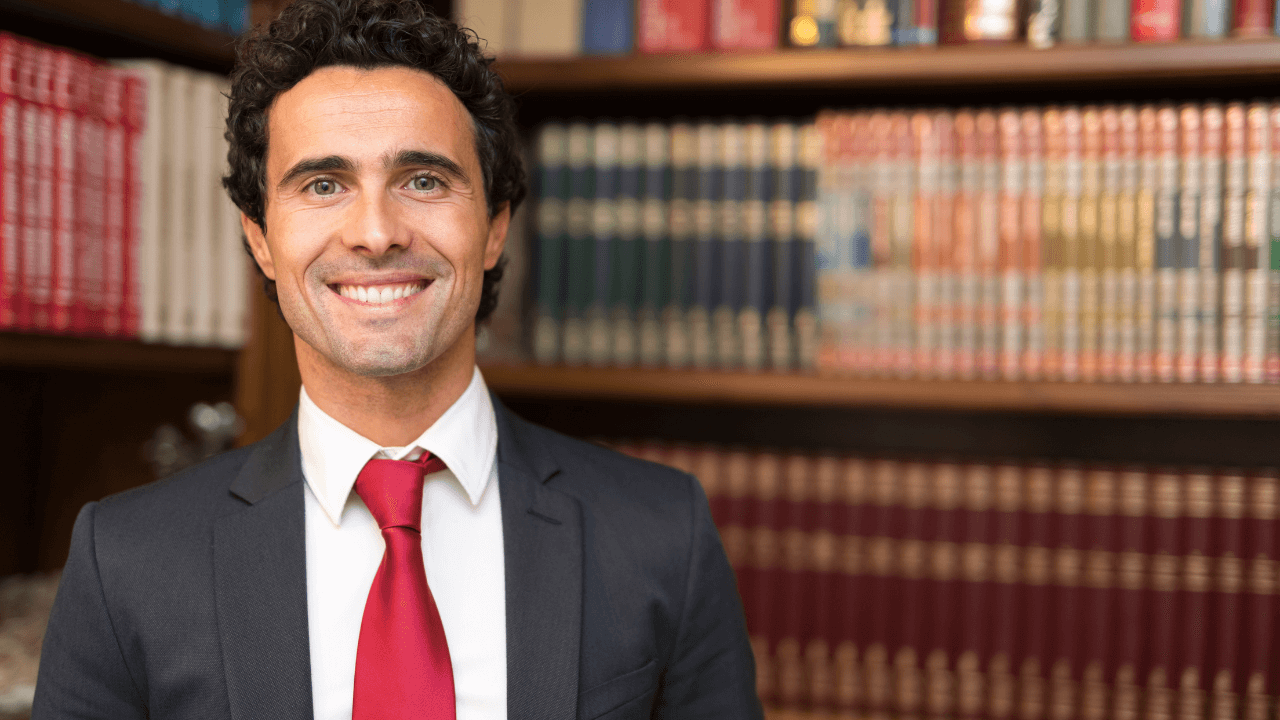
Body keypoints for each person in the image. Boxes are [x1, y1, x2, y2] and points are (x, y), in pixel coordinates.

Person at [31, 0, 762, 718]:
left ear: (494, 228)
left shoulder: (664, 535)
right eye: (323, 185)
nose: (376, 233)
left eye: (423, 180)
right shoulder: (125, 560)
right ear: (260, 238)